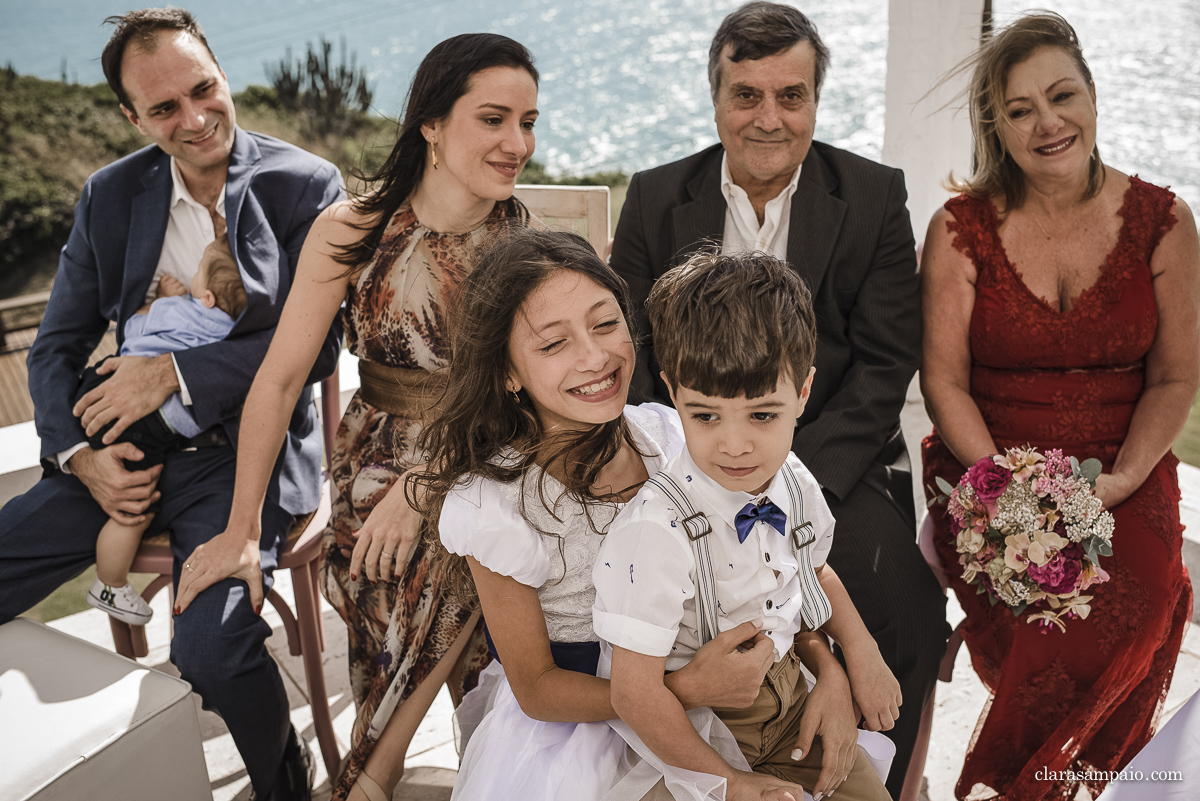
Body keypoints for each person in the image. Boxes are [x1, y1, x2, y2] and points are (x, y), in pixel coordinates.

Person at [172, 33, 539, 801]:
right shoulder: (353, 228)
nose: (518, 145)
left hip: (484, 456)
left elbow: (525, 404)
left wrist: (429, 484)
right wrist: (242, 531)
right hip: (373, 458)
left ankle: (373, 768)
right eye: (496, 120)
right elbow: (276, 382)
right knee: (428, 553)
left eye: (529, 123)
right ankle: (419, 765)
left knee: (467, 540)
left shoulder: (519, 240)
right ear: (432, 125)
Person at [0, 8, 343, 801]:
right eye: (163, 109)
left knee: (215, 652)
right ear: (132, 117)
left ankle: (286, 779)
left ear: (223, 73)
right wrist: (82, 458)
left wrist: (175, 373)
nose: (194, 119)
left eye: (204, 89)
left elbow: (316, 348)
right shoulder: (111, 195)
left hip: (243, 459)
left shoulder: (305, 184)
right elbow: (55, 346)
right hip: (119, 456)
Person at [608, 4, 948, 794]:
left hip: (833, 459)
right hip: (685, 455)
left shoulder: (870, 197)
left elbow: (883, 363)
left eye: (791, 96)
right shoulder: (659, 197)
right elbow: (636, 354)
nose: (769, 118)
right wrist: (686, 456)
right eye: (746, 95)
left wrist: (789, 477)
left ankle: (870, 773)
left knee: (904, 603)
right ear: (716, 100)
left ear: (816, 101)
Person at [422, 228, 862, 801]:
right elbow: (536, 688)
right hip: (588, 731)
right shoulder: (496, 504)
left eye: (606, 324)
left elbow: (770, 566)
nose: (594, 356)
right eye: (553, 345)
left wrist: (827, 668)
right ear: (507, 372)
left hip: (736, 696)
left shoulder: (674, 432)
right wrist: (681, 689)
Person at [920, 13, 1198, 801]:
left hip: (1125, 463)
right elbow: (945, 382)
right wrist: (1011, 488)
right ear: (996, 127)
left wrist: (1119, 479)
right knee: (1041, 622)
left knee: (1140, 597)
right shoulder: (959, 231)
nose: (1047, 122)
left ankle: (1050, 787)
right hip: (992, 465)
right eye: (1019, 109)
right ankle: (1036, 788)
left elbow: (1177, 378)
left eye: (1062, 95)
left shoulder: (1167, 223)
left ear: (1094, 97)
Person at [594, 250, 896, 801]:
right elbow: (634, 697)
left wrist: (860, 652)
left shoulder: (797, 483)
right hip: (690, 729)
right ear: (671, 392)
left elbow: (813, 569)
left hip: (788, 698)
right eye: (705, 415)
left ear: (803, 393)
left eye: (762, 415)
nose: (734, 446)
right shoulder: (656, 532)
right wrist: (728, 781)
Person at [84, 231, 247, 625]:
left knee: (132, 503)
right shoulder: (233, 333)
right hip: (147, 423)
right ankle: (110, 583)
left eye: (198, 270)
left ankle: (109, 583)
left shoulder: (178, 309)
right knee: (135, 509)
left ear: (205, 297)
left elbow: (136, 327)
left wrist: (161, 301)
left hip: (105, 393)